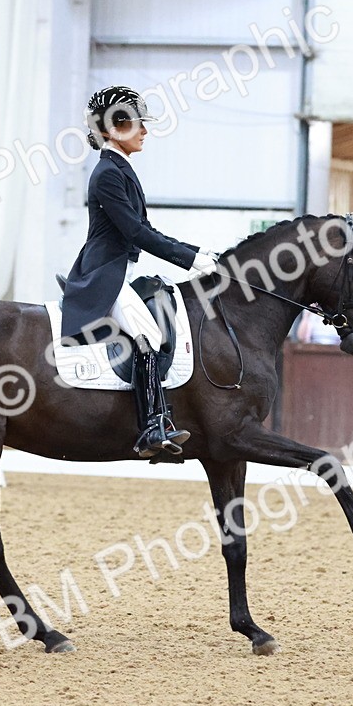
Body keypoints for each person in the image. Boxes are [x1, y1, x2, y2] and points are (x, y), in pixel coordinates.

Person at [61, 86, 219, 458]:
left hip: (118, 271)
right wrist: (190, 259)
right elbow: (136, 232)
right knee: (148, 334)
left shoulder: (121, 170)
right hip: (103, 275)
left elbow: (145, 229)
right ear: (114, 128)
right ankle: (151, 426)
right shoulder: (107, 175)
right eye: (137, 124)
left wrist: (196, 251)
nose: (145, 131)